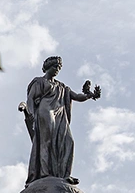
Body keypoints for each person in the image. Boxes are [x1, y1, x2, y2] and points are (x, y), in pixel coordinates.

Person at [18, 56, 101, 185]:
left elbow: (77, 96)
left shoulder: (62, 87)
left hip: (60, 115)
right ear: (47, 67)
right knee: (47, 141)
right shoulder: (39, 82)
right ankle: (45, 173)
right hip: (45, 112)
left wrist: (90, 95)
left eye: (59, 67)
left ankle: (64, 174)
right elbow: (30, 98)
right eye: (55, 66)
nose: (57, 69)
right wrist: (32, 114)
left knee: (68, 141)